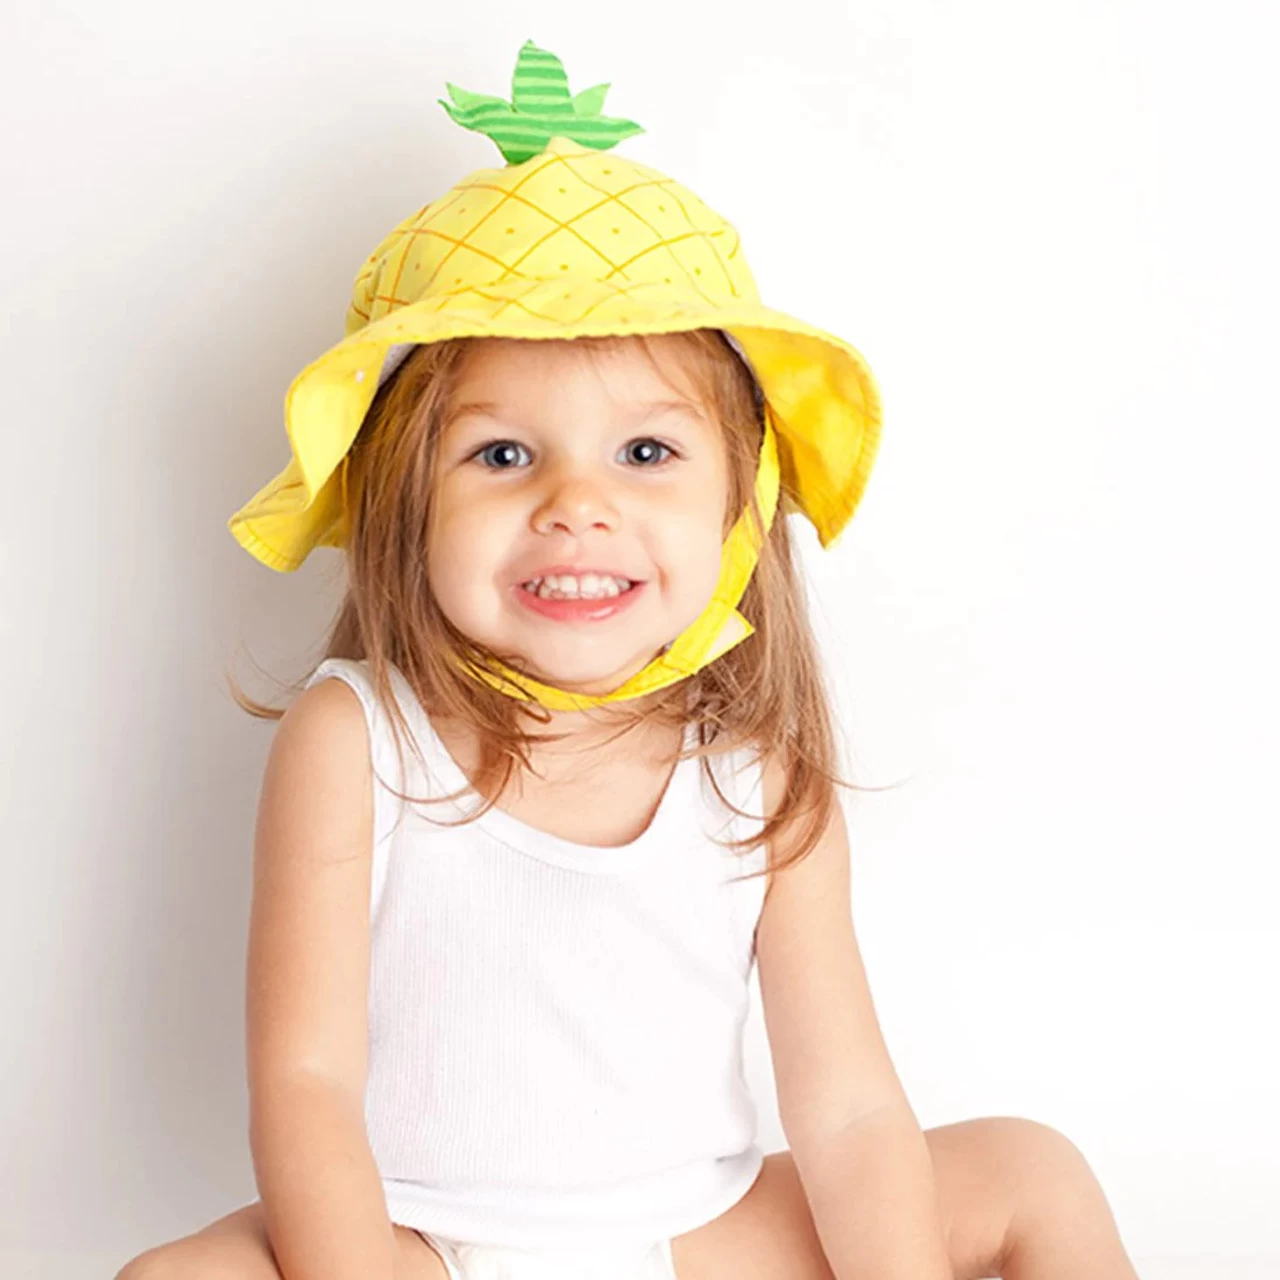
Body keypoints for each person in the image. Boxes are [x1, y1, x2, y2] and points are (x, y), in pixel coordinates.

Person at [115, 39, 1141, 1280]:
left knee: (1031, 1168)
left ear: (738, 502)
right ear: (404, 499)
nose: (576, 504)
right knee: (172, 1278)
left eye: (644, 453)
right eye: (502, 454)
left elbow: (846, 1109)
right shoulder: (356, 738)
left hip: (694, 1238)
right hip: (424, 1244)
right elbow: (306, 1083)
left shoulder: (755, 770)